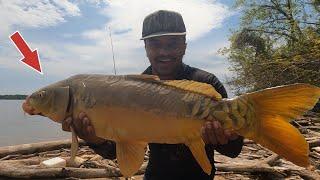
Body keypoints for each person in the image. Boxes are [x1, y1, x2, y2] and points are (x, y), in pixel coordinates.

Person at [62, 10, 243, 180]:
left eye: (172, 44)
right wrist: (93, 139)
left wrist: (221, 139)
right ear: (146, 47)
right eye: (155, 44)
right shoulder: (131, 90)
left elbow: (234, 150)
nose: (164, 52)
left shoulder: (207, 83)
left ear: (184, 46)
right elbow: (119, 148)